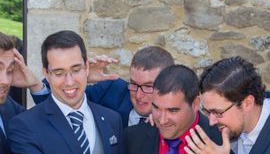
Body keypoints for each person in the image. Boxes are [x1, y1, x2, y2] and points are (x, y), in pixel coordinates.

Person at [32, 46, 174, 127]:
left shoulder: (176, 115)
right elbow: (55, 104)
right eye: (134, 84)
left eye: (148, 87)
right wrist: (82, 77)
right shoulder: (113, 89)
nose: (138, 95)